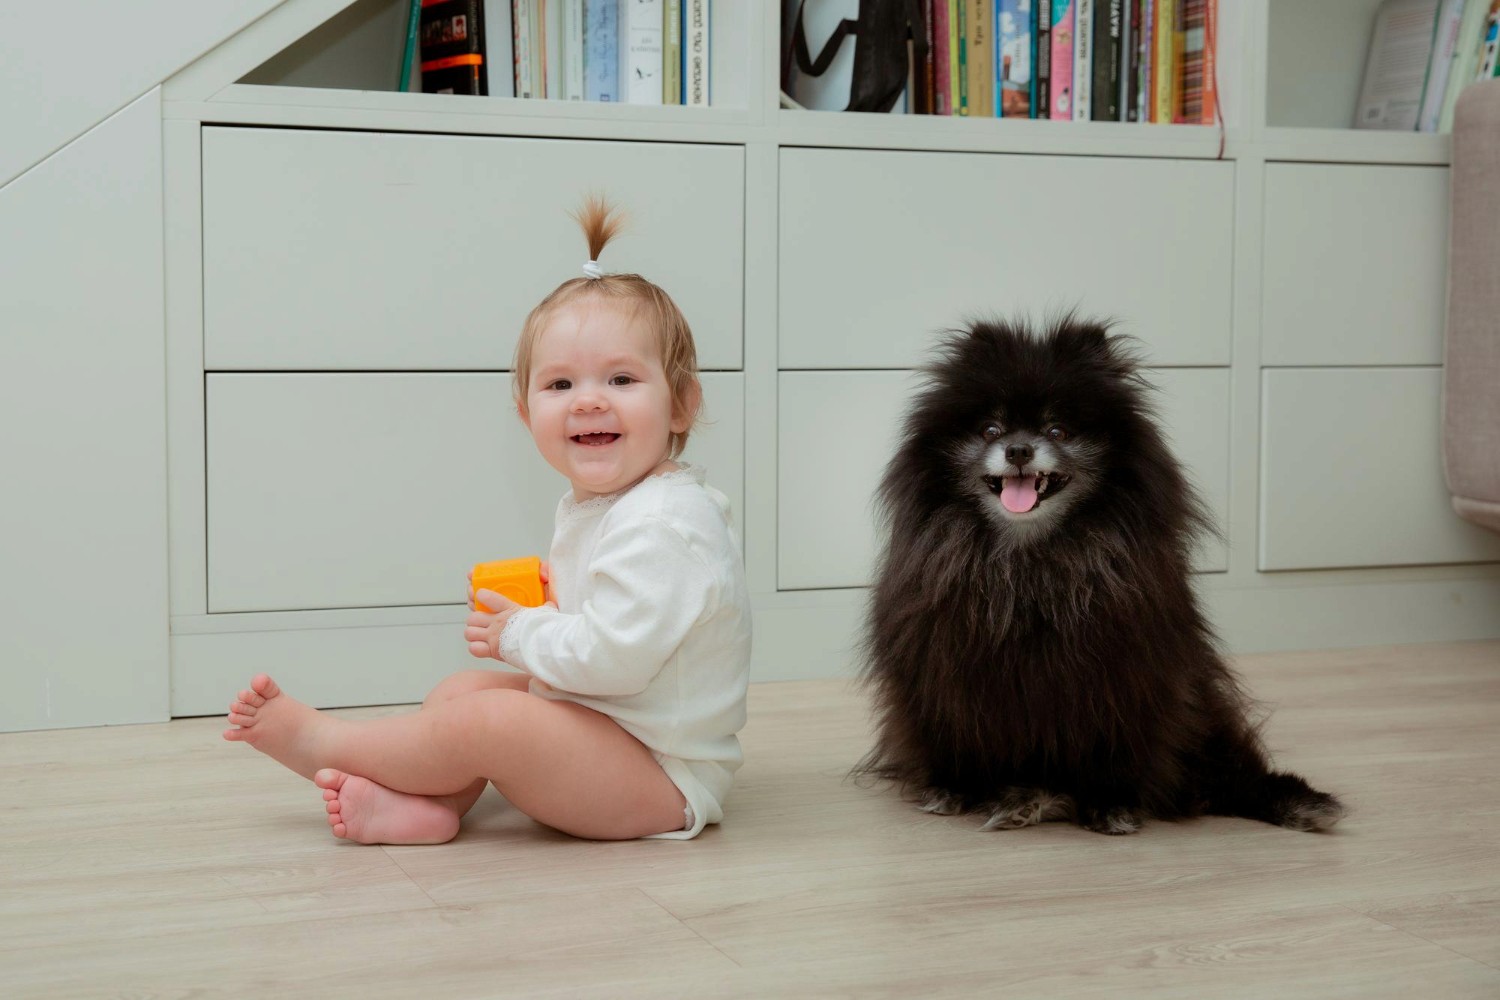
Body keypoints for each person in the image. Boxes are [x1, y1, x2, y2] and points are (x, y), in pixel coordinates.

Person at [223, 196, 752, 844]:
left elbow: (615, 660)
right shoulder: (610, 505)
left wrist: (522, 633)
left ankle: (324, 740)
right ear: (528, 415)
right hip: (611, 729)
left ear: (682, 405)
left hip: (661, 774)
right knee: (462, 693)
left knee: (491, 725)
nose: (587, 400)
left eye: (620, 379)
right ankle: (432, 807)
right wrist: (550, 611)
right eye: (559, 386)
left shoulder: (666, 523)